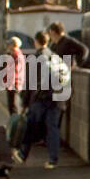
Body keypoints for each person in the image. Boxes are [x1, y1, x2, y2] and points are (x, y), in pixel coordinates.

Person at [13, 31, 68, 169]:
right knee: (52, 128)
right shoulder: (56, 57)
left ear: (36, 42)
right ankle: (52, 160)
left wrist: (24, 102)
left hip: (40, 98)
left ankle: (22, 154)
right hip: (56, 98)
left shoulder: (36, 58)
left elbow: (30, 83)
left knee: (30, 126)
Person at [4, 37, 26, 115]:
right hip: (15, 84)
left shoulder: (15, 55)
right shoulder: (16, 54)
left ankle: (15, 125)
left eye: (9, 44)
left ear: (14, 45)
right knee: (13, 107)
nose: (7, 45)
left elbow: (14, 71)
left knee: (13, 107)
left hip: (14, 85)